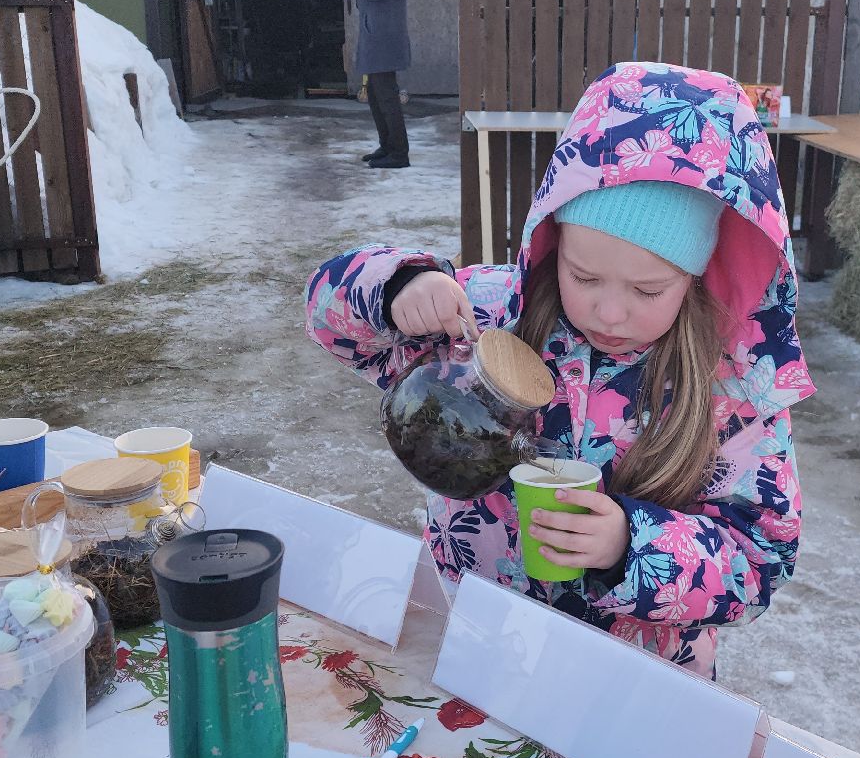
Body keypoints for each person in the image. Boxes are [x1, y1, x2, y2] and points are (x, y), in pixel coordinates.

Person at [307, 62, 812, 676]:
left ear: (697, 275)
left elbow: (761, 559)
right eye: (584, 276)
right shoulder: (490, 317)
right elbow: (331, 319)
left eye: (648, 290)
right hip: (471, 635)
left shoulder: (732, 386)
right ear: (552, 240)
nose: (609, 309)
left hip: (631, 677)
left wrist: (632, 545)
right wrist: (398, 288)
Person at [342, 0, 411, 169]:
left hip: (382, 37)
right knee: (374, 92)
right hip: (383, 35)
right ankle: (388, 146)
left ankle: (399, 154)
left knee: (386, 96)